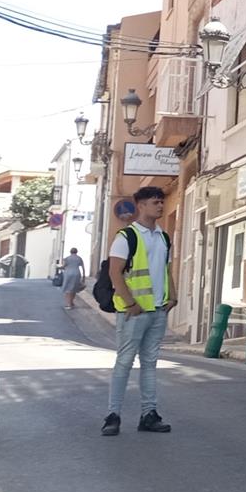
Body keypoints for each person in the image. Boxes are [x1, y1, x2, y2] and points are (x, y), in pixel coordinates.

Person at [103, 185, 175, 437]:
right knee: (124, 362)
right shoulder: (127, 237)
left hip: (157, 310)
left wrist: (172, 296)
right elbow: (115, 272)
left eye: (161, 202)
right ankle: (113, 415)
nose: (160, 205)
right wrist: (131, 304)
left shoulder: (163, 237)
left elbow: (165, 270)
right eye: (155, 202)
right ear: (141, 205)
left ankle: (149, 414)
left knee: (150, 364)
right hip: (134, 312)